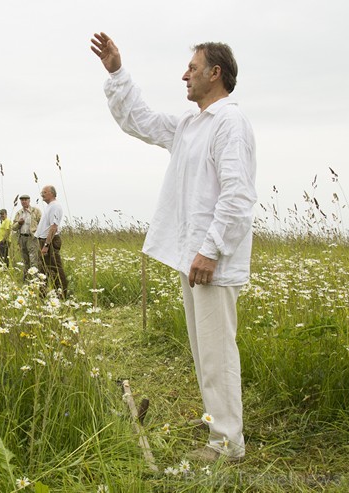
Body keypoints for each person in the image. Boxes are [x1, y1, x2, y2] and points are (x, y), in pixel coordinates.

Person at [91, 32, 257, 462]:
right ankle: (219, 432)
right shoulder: (189, 125)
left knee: (218, 354)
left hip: (211, 261)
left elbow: (237, 196)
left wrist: (211, 250)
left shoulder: (229, 123)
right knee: (206, 353)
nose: (185, 75)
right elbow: (139, 120)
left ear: (215, 73)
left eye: (193, 68)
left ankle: (227, 444)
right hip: (195, 258)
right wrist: (117, 72)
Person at [35, 185, 68, 298]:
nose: (42, 194)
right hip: (44, 240)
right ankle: (43, 295)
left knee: (55, 269)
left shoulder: (55, 207)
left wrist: (46, 245)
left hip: (49, 242)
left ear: (52, 193)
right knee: (43, 269)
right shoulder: (50, 206)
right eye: (42, 192)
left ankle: (61, 294)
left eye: (44, 192)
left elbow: (53, 227)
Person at [12, 194, 42, 281]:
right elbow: (13, 227)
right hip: (22, 238)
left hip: (32, 238)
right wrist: (19, 223)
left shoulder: (36, 211)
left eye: (25, 200)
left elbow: (42, 223)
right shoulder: (19, 213)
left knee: (33, 259)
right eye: (22, 200)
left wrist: (38, 235)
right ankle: (26, 279)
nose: (23, 201)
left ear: (29, 201)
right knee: (25, 260)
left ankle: (34, 280)